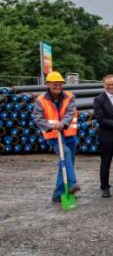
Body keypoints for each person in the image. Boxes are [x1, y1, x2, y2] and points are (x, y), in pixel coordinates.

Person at [32, 71, 80, 204]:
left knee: (65, 162)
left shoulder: (69, 96)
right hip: (53, 135)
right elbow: (37, 118)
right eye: (55, 84)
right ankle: (71, 184)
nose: (58, 87)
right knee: (65, 153)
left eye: (60, 84)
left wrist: (63, 124)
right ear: (48, 84)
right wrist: (51, 126)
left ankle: (58, 194)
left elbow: (71, 112)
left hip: (69, 133)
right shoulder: (41, 100)